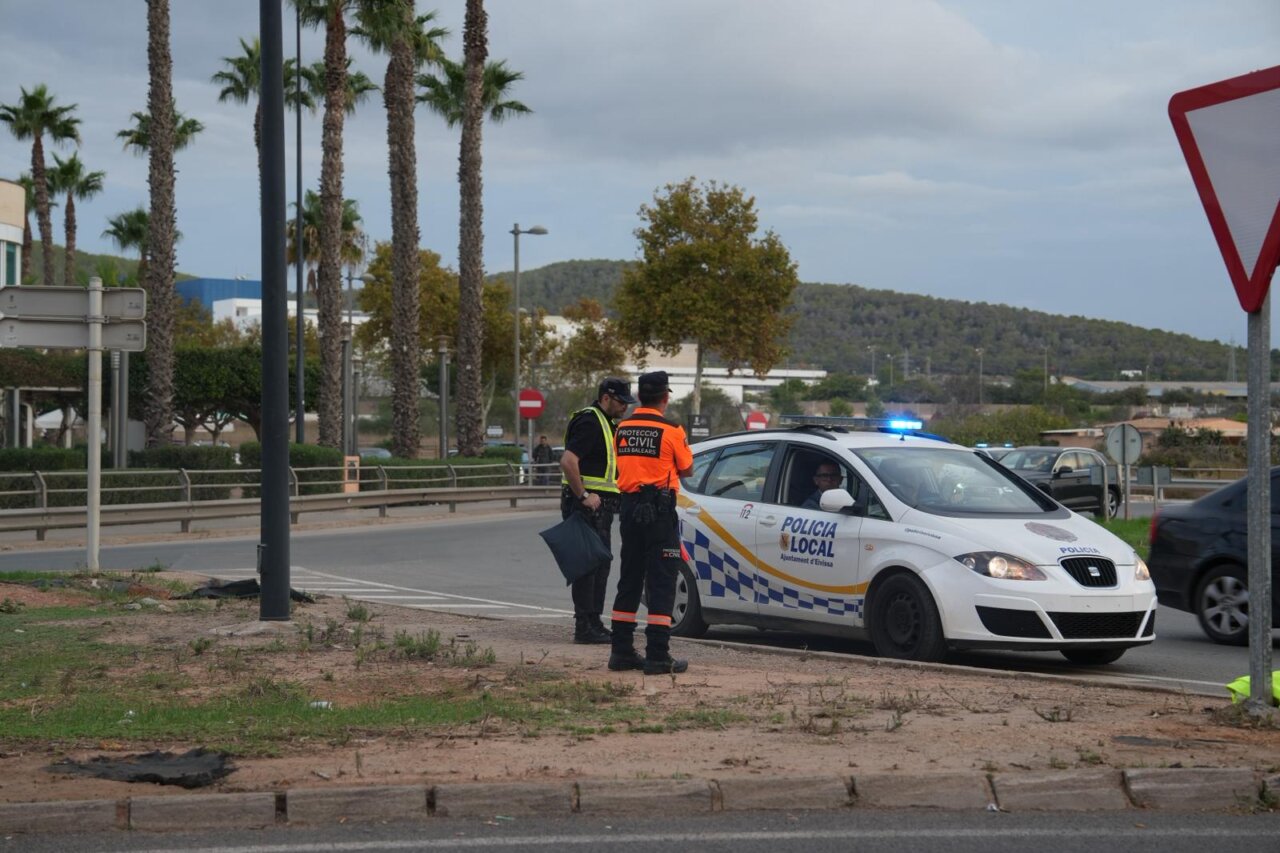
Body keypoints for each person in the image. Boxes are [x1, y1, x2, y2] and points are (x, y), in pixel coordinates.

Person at [608, 370, 695, 675]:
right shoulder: (672, 429)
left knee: (629, 578)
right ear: (665, 397)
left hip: (630, 509)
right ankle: (658, 654)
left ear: (641, 396)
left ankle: (620, 651)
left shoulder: (623, 428)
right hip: (658, 511)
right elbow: (687, 470)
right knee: (661, 581)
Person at [559, 377, 635, 644]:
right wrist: (583, 495)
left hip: (599, 508)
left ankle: (593, 622)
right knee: (587, 566)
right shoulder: (590, 421)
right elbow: (568, 461)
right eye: (621, 401)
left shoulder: (607, 424)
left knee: (600, 564)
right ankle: (584, 627)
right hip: (585, 506)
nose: (625, 406)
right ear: (606, 398)